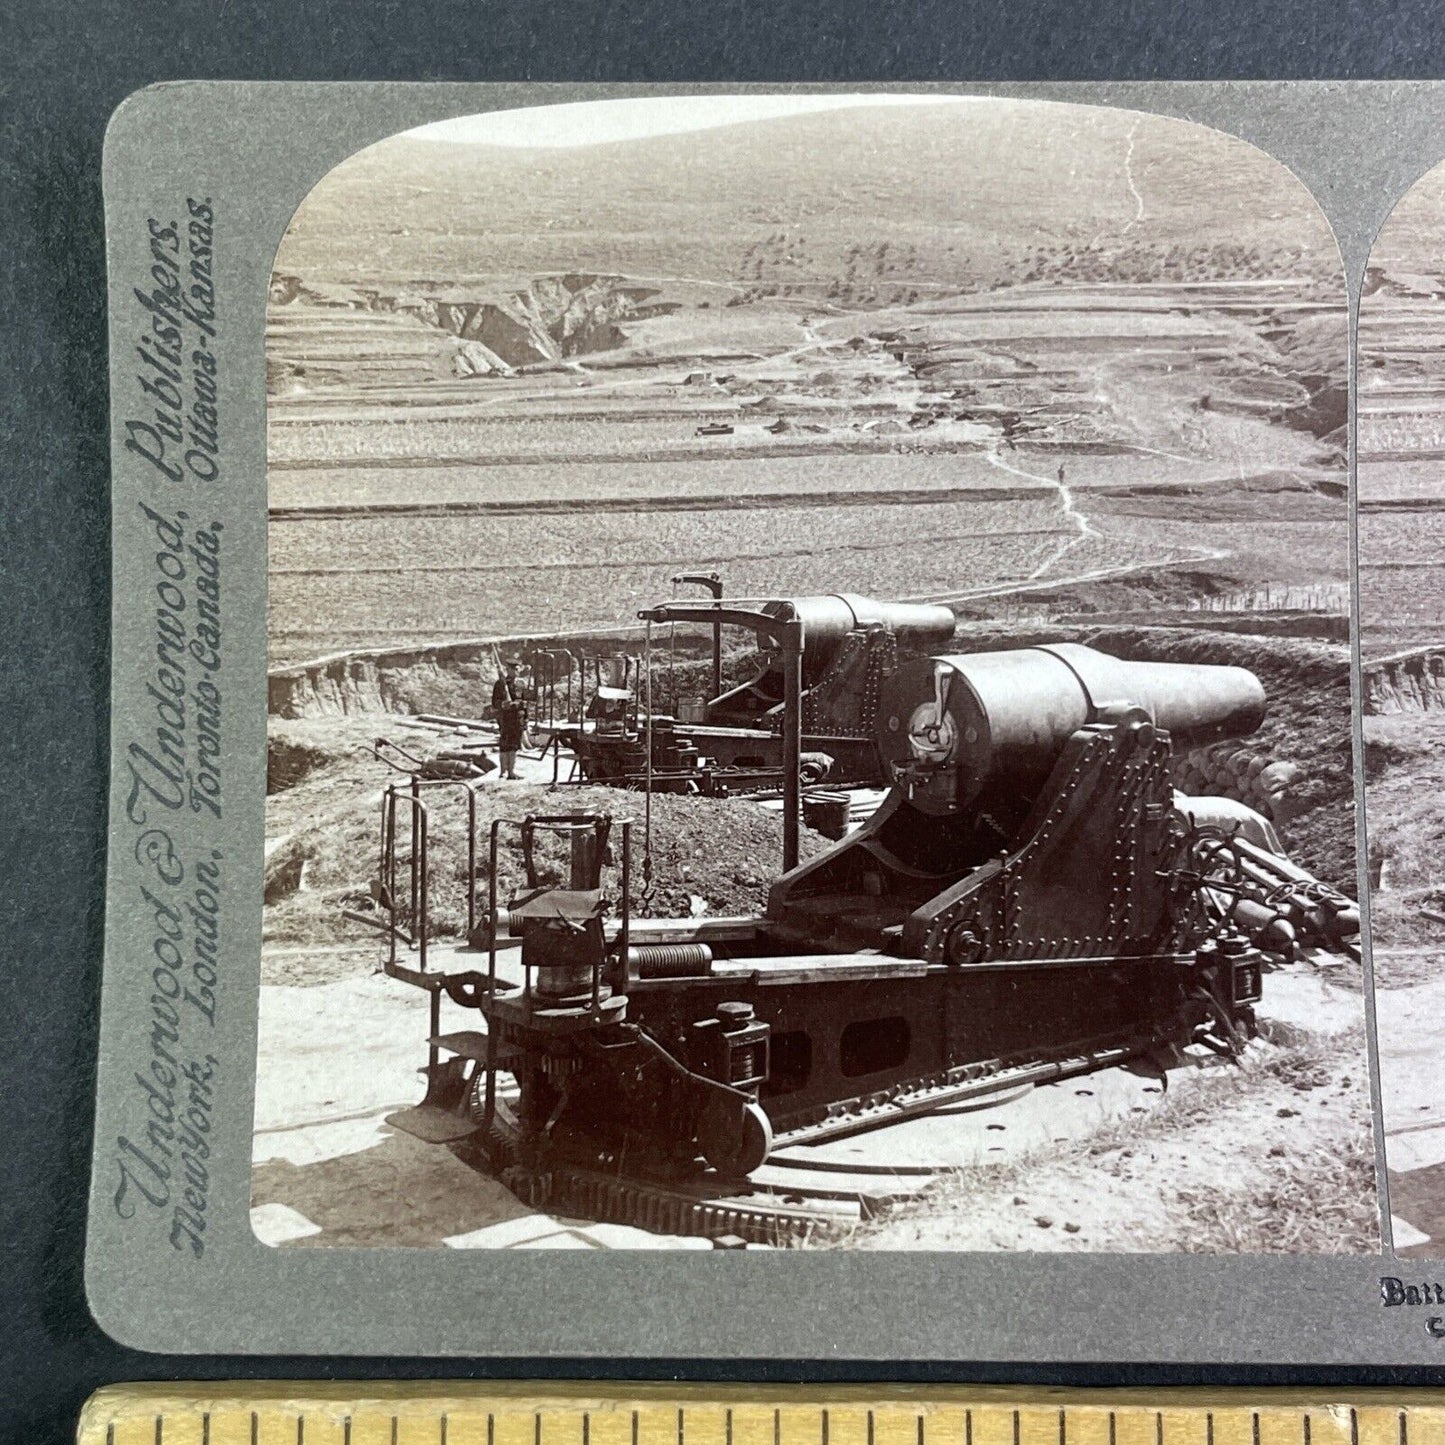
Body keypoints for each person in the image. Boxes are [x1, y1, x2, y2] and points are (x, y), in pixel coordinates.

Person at [492, 661, 526, 780]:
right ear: (509, 670)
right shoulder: (500, 684)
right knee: (504, 745)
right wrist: (503, 704)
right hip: (506, 719)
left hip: (518, 719)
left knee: (514, 746)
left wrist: (525, 720)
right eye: (514, 669)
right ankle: (503, 772)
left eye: (518, 669)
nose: (517, 672)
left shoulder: (521, 684)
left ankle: (511, 772)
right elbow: (495, 702)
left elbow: (525, 702)